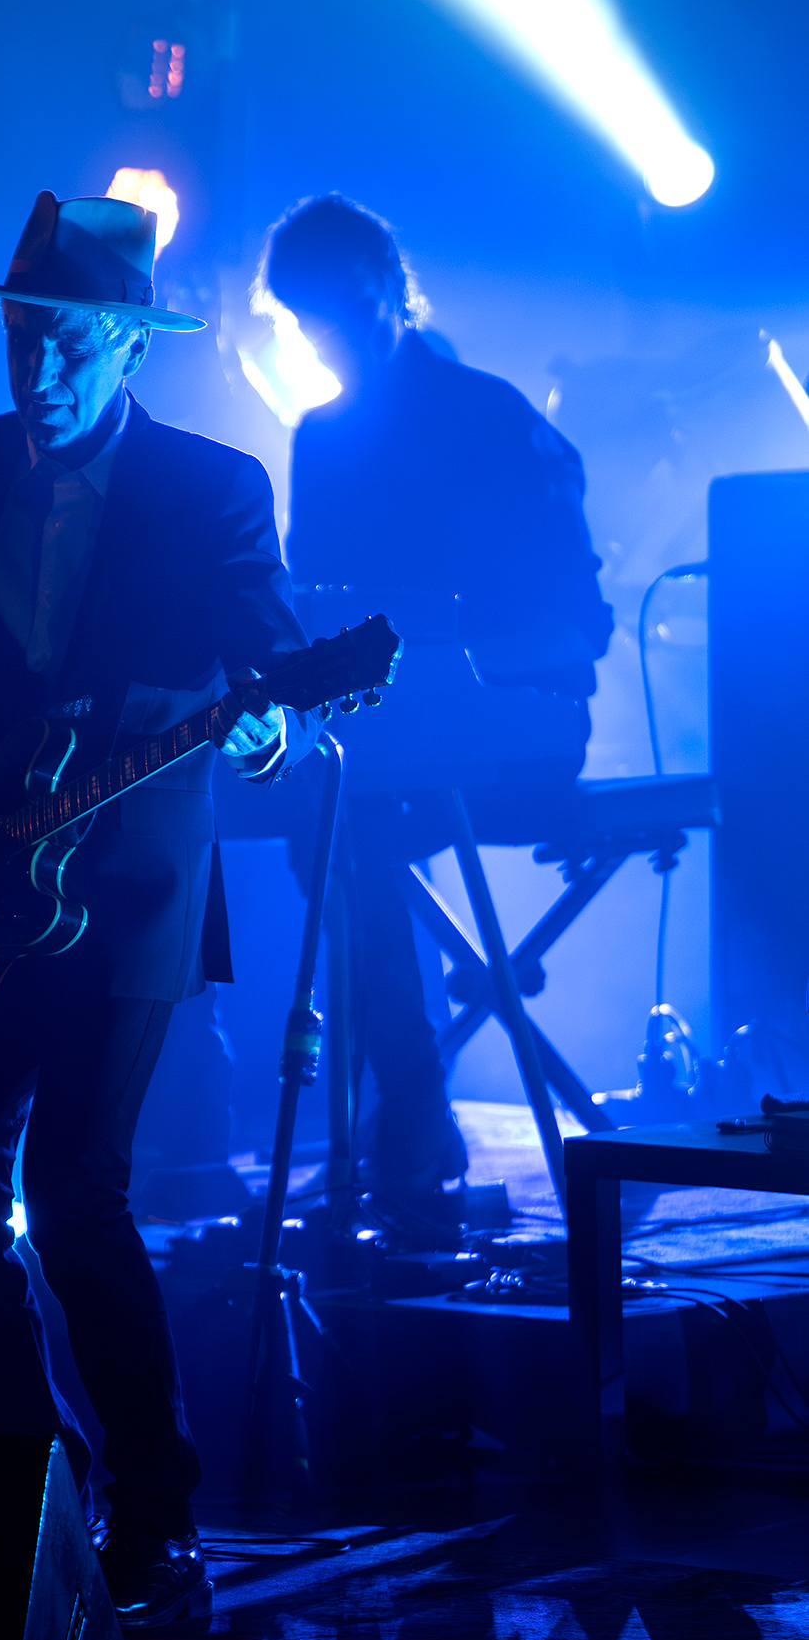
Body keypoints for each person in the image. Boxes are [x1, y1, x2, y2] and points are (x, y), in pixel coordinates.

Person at [0, 191, 316, 1627]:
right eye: (20, 334)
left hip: (128, 896)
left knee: (73, 1191)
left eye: (67, 342)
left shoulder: (210, 486)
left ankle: (157, 1518)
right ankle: (31, 1498)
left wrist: (265, 731)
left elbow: (275, 666)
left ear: (129, 344)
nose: (36, 368)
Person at [253, 193, 612, 1213]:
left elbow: (577, 625)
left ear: (384, 291)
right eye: (303, 319)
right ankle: (407, 1117)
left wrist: (448, 666)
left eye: (331, 312)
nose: (320, 339)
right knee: (327, 816)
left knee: (345, 821)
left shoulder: (491, 418)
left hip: (521, 735)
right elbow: (313, 609)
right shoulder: (320, 439)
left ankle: (407, 1120)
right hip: (390, 745)